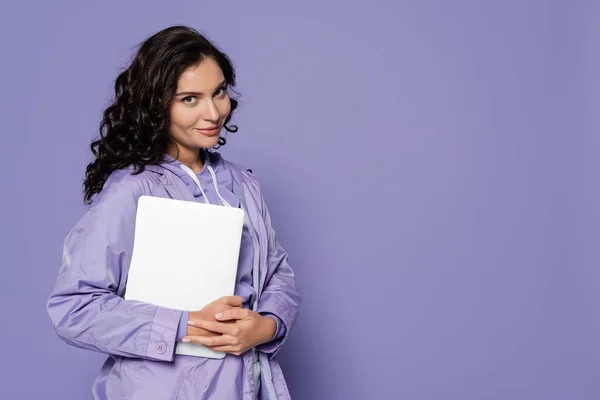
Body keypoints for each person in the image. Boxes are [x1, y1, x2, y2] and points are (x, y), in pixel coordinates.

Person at [46, 25, 301, 400]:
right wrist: (186, 324)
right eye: (190, 99)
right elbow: (73, 308)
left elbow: (277, 272)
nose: (213, 112)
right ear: (157, 104)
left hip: (247, 384)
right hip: (160, 389)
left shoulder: (242, 184)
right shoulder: (132, 190)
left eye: (218, 93)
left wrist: (267, 326)